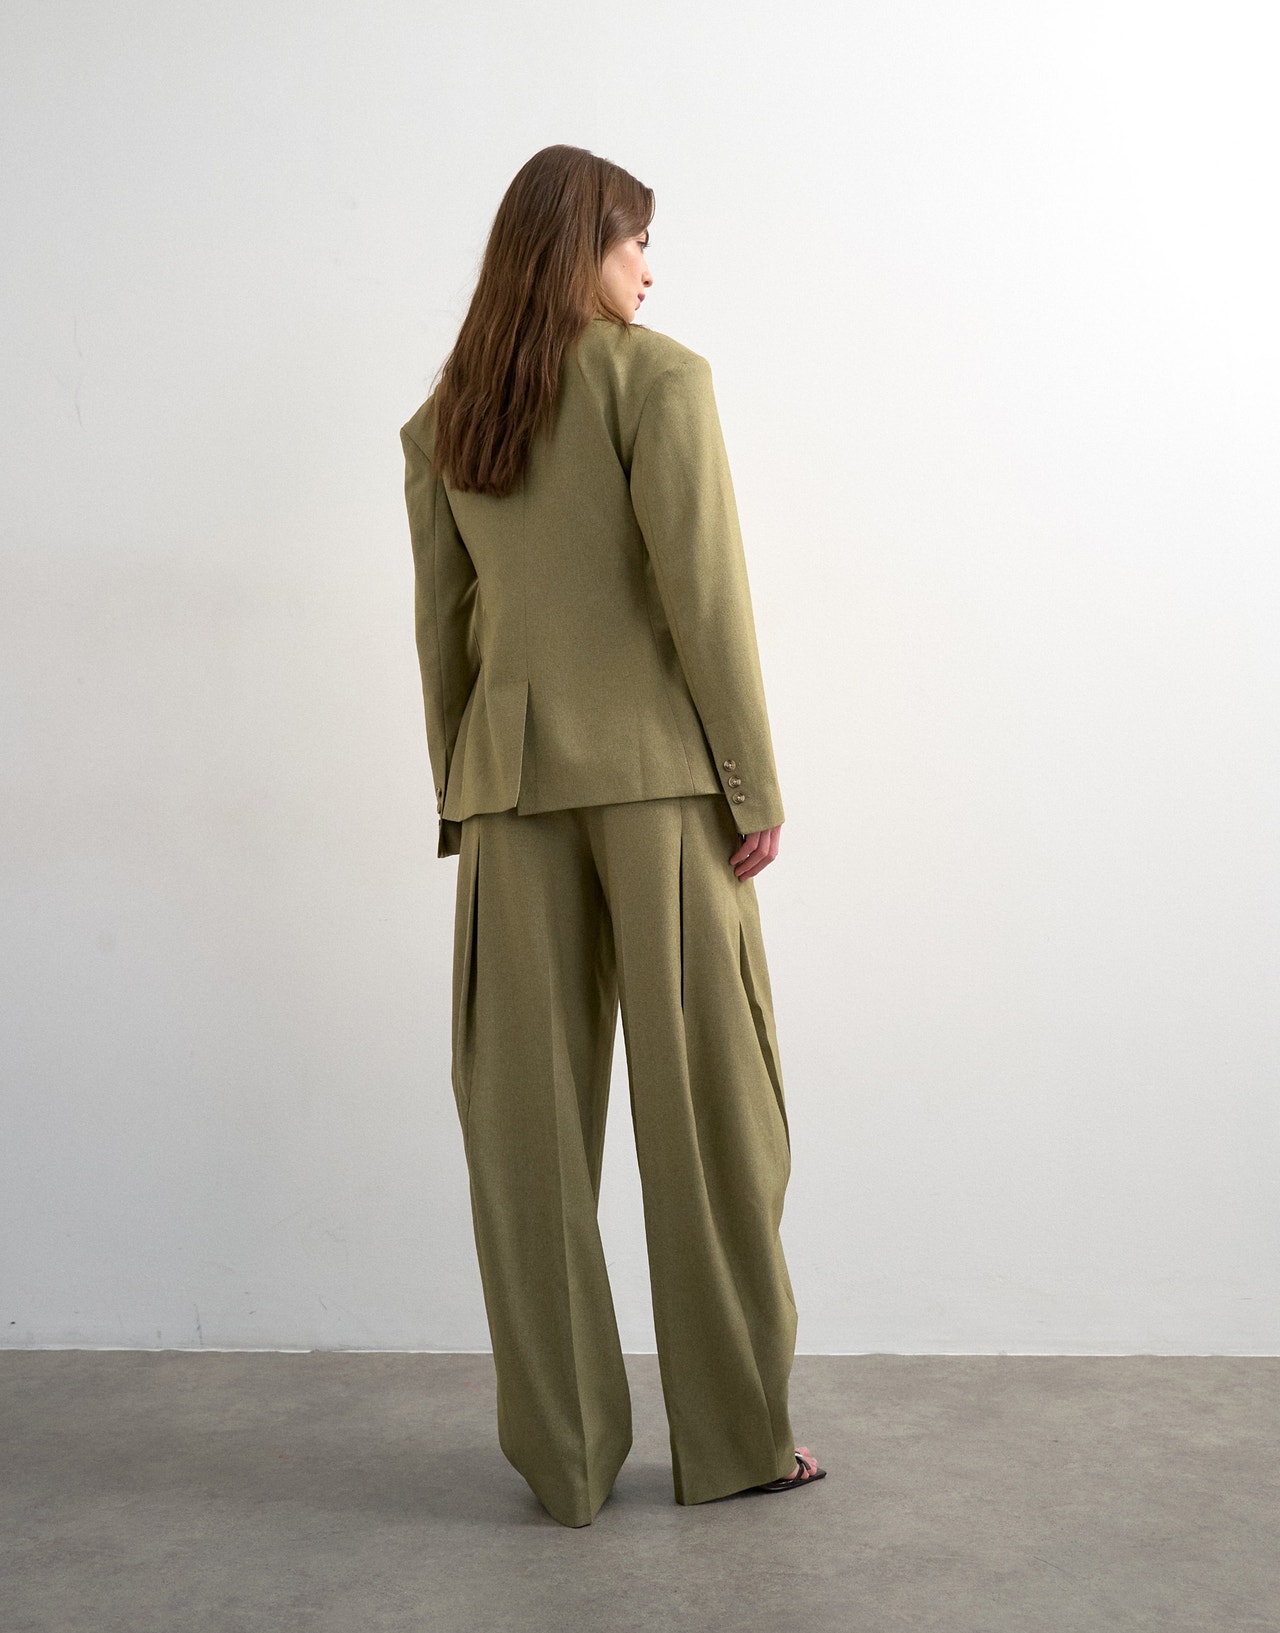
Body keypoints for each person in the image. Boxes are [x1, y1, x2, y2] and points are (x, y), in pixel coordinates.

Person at [399, 143, 825, 1527]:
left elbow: (445, 631)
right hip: (658, 785)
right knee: (709, 1113)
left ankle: (566, 1459)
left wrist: (464, 785)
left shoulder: (451, 417)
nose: (650, 267)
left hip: (509, 792)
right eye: (635, 241)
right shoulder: (660, 381)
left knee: (525, 1132)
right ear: (581, 247)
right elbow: (708, 598)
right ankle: (738, 1440)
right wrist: (751, 786)